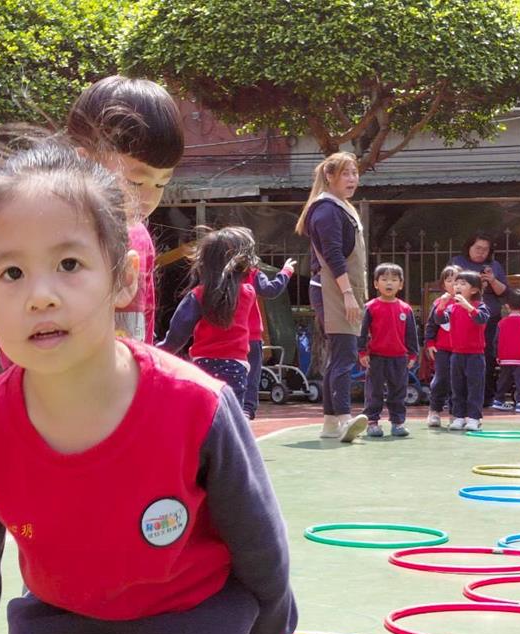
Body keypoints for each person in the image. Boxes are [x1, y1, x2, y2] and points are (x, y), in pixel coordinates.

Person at [0, 140, 302, 634]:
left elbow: (254, 527)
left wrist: (272, 631)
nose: (40, 295)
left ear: (124, 278)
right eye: (11, 274)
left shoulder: (195, 406)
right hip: (64, 617)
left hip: (186, 612)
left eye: (69, 264)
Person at [67, 75, 184, 343]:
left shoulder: (139, 237)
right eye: (135, 182)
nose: (148, 198)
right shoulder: (49, 230)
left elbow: (145, 324)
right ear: (85, 162)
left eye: (161, 184)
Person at [295, 152, 369, 442]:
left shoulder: (341, 207)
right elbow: (333, 255)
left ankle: (330, 423)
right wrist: (348, 294)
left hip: (341, 289)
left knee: (340, 355)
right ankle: (342, 418)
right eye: (345, 174)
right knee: (344, 355)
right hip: (332, 290)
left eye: (354, 173)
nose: (352, 179)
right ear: (329, 177)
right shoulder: (326, 210)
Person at [157, 227, 259, 404]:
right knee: (231, 412)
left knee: (204, 409)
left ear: (204, 263)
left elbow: (177, 335)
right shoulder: (248, 293)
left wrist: (159, 351)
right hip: (236, 367)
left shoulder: (198, 295)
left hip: (204, 365)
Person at [359, 263, 418, 437]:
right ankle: (372, 422)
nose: (389, 283)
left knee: (398, 391)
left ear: (401, 284)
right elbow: (362, 332)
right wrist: (362, 352)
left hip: (399, 358)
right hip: (376, 357)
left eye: (394, 279)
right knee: (374, 391)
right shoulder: (370, 307)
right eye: (384, 279)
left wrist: (413, 354)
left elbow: (411, 333)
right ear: (376, 284)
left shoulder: (405, 309)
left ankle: (397, 422)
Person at [449, 232, 507, 404]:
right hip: (461, 316)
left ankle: (486, 396)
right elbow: (449, 284)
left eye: (485, 249)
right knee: (459, 357)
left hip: (488, 315)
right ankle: (458, 398)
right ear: (469, 247)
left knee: (487, 355)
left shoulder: (494, 265)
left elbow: (504, 292)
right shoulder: (457, 262)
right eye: (478, 248)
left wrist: (492, 280)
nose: (481, 252)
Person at [435, 271, 490, 431]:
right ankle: (458, 416)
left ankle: (474, 418)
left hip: (475, 355)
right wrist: (441, 306)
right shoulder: (452, 307)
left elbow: (481, 319)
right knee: (457, 387)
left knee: (475, 387)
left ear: (474, 289)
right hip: (456, 354)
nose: (457, 286)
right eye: (456, 284)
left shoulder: (480, 306)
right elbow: (439, 319)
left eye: (463, 284)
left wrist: (468, 307)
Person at [244, 259, 297, 419]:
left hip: (227, 335)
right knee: (252, 375)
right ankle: (247, 409)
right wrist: (286, 271)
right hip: (250, 334)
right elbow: (271, 290)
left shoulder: (218, 275)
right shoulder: (252, 273)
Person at [424, 265, 459, 427]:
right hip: (443, 349)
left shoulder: (467, 303)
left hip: (461, 350)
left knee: (458, 381)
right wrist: (430, 343)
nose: (453, 284)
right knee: (441, 379)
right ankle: (434, 411)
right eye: (449, 280)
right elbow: (431, 325)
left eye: (457, 280)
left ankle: (456, 413)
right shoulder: (439, 302)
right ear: (443, 284)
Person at [490, 288, 520, 413]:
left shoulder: (501, 323)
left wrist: (497, 355)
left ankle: (498, 400)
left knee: (504, 380)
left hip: (505, 358)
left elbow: (496, 341)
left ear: (507, 306)